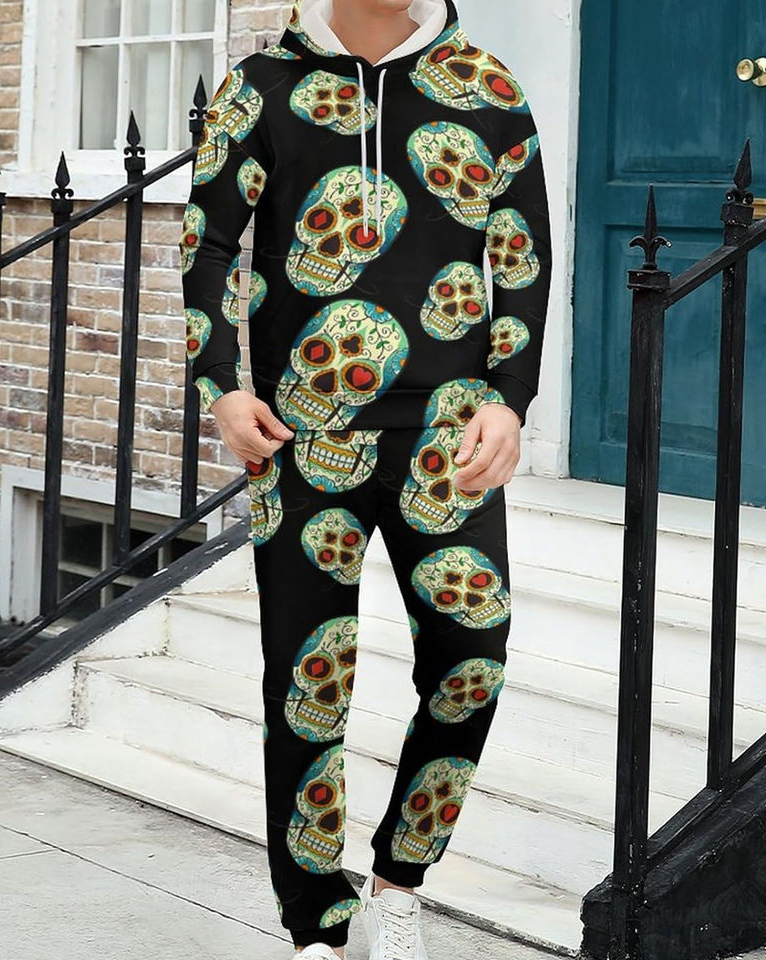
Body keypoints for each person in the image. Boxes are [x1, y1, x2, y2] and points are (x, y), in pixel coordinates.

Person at [178, 0, 551, 956]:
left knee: (472, 660)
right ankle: (317, 922)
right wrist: (221, 385)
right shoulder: (260, 87)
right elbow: (208, 242)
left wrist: (509, 398)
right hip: (302, 438)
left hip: (447, 438)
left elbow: (520, 255)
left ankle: (398, 884)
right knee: (310, 679)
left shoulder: (488, 88)